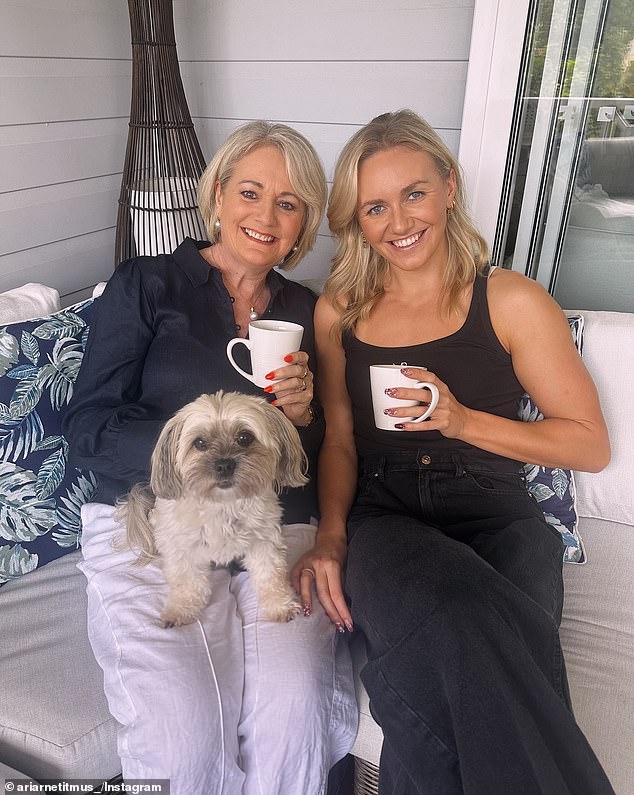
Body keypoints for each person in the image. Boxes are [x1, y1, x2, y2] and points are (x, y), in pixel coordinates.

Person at [291, 110, 615, 794]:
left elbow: (588, 442)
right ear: (358, 220)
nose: (398, 221)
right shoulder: (340, 309)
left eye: (413, 193)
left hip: (495, 511)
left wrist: (463, 420)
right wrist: (330, 534)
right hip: (387, 518)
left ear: (448, 185)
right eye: (375, 207)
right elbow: (342, 439)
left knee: (438, 697)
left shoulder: (512, 300)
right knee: (487, 632)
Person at [63, 120, 357, 795]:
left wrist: (301, 420)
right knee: (181, 731)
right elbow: (87, 429)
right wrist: (192, 453)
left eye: (289, 203)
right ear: (218, 194)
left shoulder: (308, 310)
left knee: (295, 710)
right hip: (151, 518)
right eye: (250, 192)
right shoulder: (146, 284)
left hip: (270, 524)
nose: (265, 215)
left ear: (304, 222)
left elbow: (321, 453)